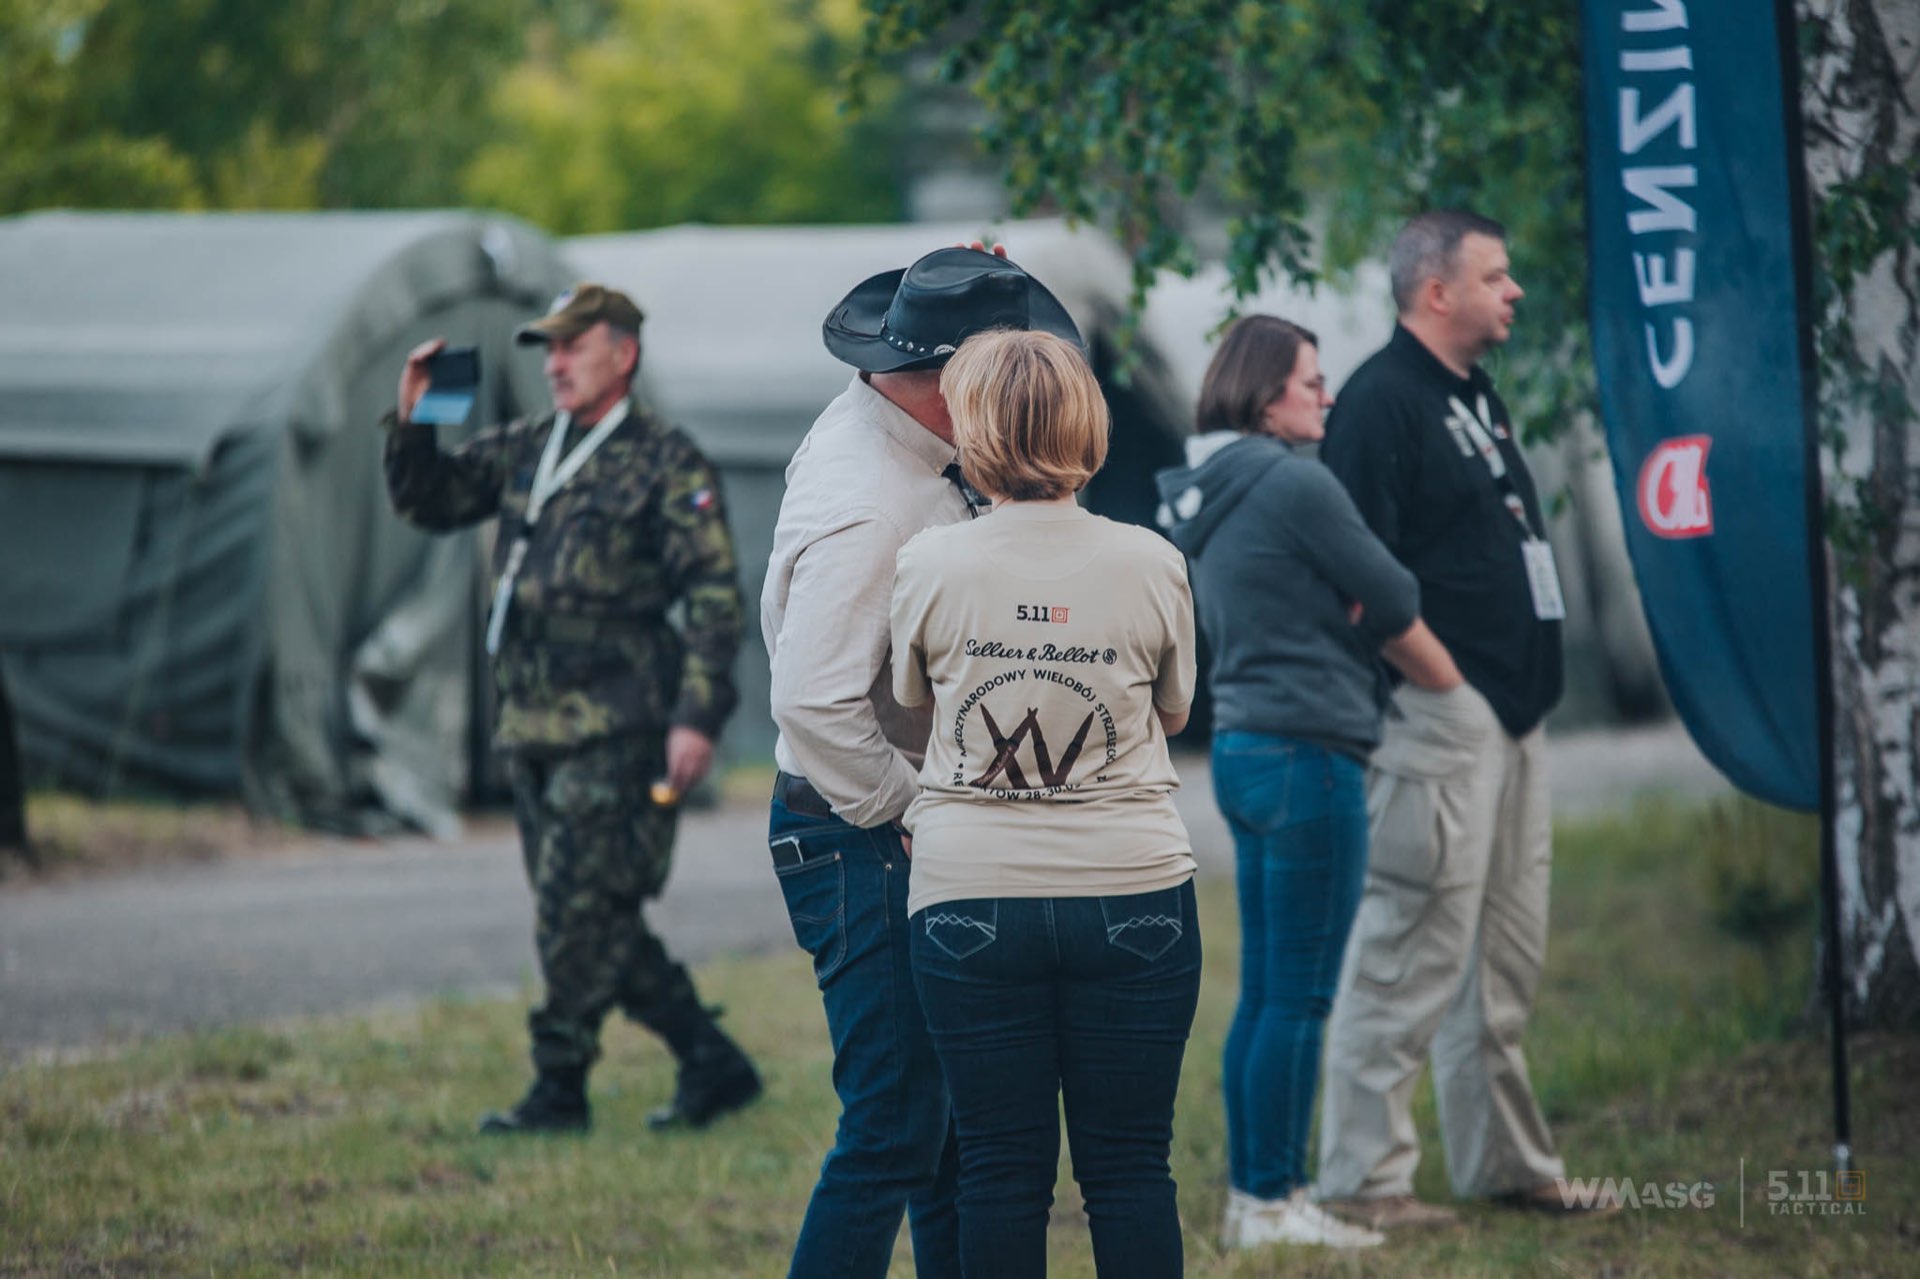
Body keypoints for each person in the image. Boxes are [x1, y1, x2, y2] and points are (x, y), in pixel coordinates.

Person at [763, 246, 1081, 1279]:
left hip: (880, 824)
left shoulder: (884, 414)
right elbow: (812, 700)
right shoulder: (874, 502)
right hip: (859, 831)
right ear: (956, 383)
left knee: (942, 1130)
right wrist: (913, 810)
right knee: (897, 1125)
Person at [383, 283, 761, 1136]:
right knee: (588, 912)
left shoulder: (669, 461)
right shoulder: (527, 446)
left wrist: (698, 715)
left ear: (622, 353)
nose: (552, 364)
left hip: (619, 722)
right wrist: (413, 424)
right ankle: (712, 1061)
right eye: (546, 349)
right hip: (532, 721)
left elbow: (713, 597)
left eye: (571, 346)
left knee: (571, 909)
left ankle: (559, 1089)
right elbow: (431, 501)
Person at [890, 328, 1201, 1278]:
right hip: (1134, 886)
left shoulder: (931, 561)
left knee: (997, 1171)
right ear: (1087, 424)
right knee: (1131, 1171)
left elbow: (910, 703)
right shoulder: (1152, 559)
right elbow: (1176, 709)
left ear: (975, 430)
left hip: (969, 894)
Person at [1314, 210, 1601, 1228]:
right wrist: (1444, 684)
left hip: (1514, 718)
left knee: (1502, 960)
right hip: (1440, 718)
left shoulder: (1473, 394)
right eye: (1496, 273)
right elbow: (1355, 581)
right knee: (1409, 949)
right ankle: (1362, 1179)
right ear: (1437, 292)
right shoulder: (1378, 404)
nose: (1514, 290)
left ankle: (1506, 1163)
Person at [1154, 315, 1465, 1250]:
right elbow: (1399, 597)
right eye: (1310, 382)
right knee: (1299, 995)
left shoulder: (1203, 491)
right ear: (1262, 397)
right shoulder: (1292, 481)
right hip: (1312, 754)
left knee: (1265, 992)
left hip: (1247, 750)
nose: (1326, 398)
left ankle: (1259, 1196)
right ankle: (1272, 1201)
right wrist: (1352, 600)